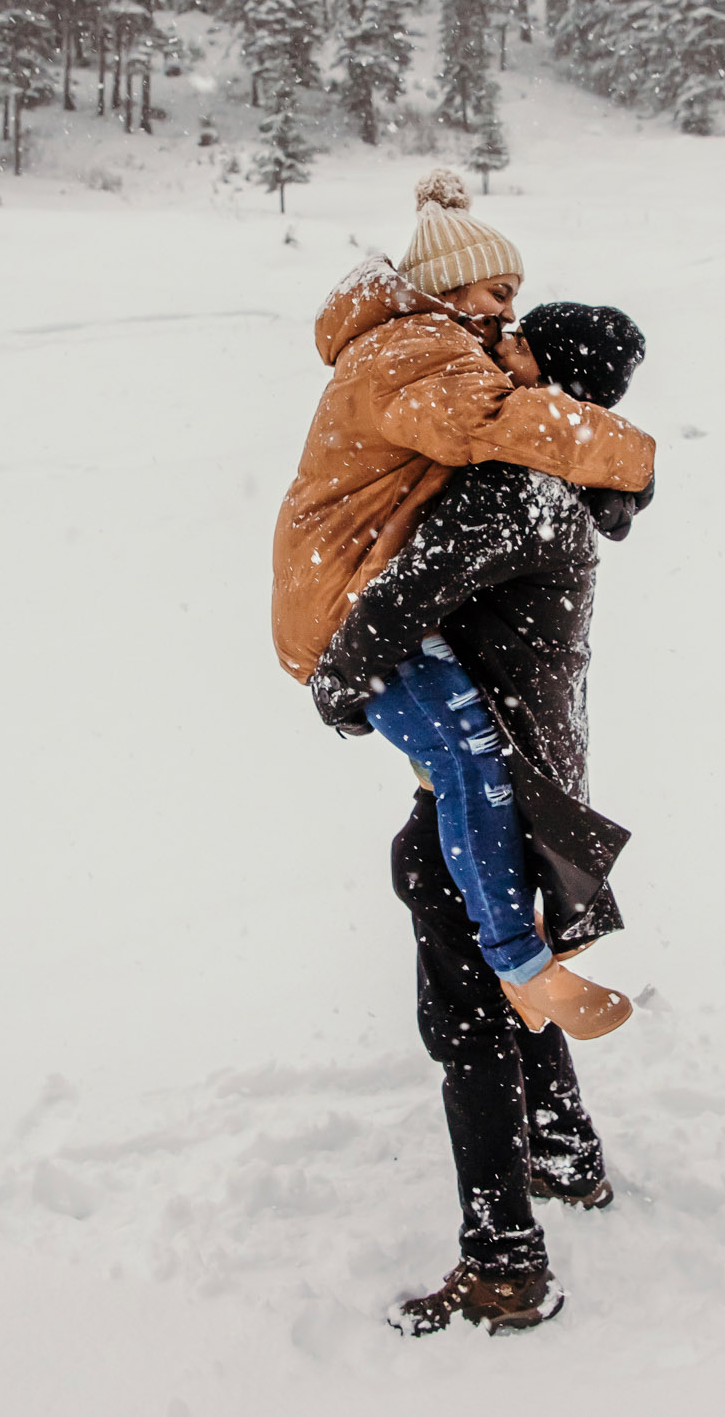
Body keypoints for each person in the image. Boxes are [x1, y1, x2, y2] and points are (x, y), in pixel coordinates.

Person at [309, 303, 656, 1337]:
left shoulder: (513, 494)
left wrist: (334, 681)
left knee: (466, 1028)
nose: (496, 371)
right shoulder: (563, 493)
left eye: (515, 358)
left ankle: (504, 1264)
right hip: (540, 791)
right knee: (518, 984)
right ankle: (564, 1150)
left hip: (485, 803)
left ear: (547, 378)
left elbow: (396, 602)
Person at [273, 172, 652, 1029]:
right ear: (447, 289)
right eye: (497, 292)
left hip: (355, 591)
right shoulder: (416, 351)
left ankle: (524, 980)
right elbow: (501, 425)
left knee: (458, 769)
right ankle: (521, 962)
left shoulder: (426, 348)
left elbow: (515, 439)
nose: (508, 317)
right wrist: (632, 458)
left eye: (516, 300)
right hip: (346, 600)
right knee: (465, 751)